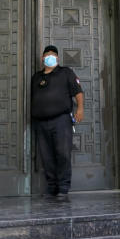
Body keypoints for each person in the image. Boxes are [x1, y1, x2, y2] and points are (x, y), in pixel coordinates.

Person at [31, 45, 83, 202]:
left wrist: (80, 108)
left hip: (61, 120)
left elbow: (78, 92)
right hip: (41, 122)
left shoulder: (66, 72)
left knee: (62, 154)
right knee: (46, 157)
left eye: (52, 55)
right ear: (42, 58)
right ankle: (52, 187)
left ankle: (63, 188)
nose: (49, 57)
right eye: (47, 55)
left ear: (57, 58)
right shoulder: (36, 77)